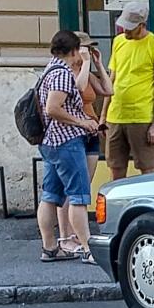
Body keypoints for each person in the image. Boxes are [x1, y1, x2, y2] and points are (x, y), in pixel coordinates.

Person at [36, 30, 100, 264]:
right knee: (78, 197)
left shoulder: (48, 69)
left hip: (49, 142)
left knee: (50, 196)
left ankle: (50, 247)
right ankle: (87, 248)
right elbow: (53, 108)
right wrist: (82, 121)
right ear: (73, 51)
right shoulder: (62, 73)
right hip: (66, 142)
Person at [56, 32, 112, 257]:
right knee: (72, 188)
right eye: (85, 48)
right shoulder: (66, 72)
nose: (87, 52)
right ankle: (66, 235)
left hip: (90, 131)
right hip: (73, 133)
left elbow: (108, 89)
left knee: (82, 185)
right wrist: (86, 62)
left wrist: (98, 64)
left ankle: (77, 233)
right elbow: (77, 89)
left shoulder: (87, 71)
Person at [103, 2, 154, 180]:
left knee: (147, 170)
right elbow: (112, 79)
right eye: (124, 25)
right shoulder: (118, 42)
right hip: (116, 115)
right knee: (116, 168)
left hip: (140, 116)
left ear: (142, 25)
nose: (125, 31)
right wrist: (103, 116)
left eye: (130, 28)